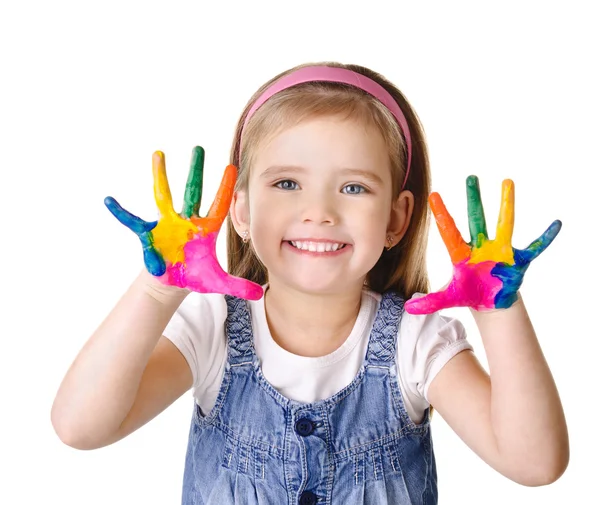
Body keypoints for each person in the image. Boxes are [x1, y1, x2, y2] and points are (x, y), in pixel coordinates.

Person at [51, 62, 569, 504]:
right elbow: (81, 427)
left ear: (395, 219)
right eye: (286, 183)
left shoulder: (417, 342)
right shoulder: (212, 331)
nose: (319, 212)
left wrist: (500, 311)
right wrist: (155, 290)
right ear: (241, 210)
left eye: (353, 187)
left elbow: (535, 463)